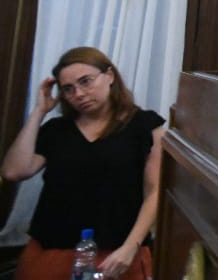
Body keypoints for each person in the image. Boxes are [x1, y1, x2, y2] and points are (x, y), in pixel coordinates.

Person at [2, 47, 165, 280]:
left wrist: (131, 247)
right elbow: (13, 171)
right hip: (51, 249)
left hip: (117, 252)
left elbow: (155, 192)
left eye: (85, 81)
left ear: (109, 76)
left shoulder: (145, 126)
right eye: (68, 89)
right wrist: (39, 111)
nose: (78, 94)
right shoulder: (57, 130)